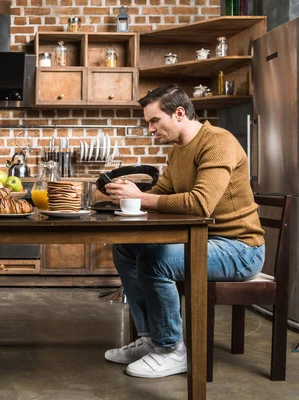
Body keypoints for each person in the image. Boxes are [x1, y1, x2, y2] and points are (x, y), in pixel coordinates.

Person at [103, 84, 265, 379]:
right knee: (126, 247)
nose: (150, 129)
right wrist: (130, 193)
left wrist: (141, 198)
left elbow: (201, 204)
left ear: (179, 113)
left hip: (240, 249)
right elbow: (162, 193)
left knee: (156, 259)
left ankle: (171, 350)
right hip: (207, 242)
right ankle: (151, 338)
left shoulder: (218, 142)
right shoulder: (179, 152)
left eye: (154, 121)